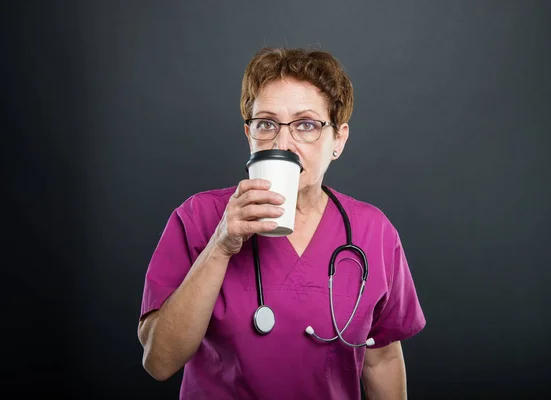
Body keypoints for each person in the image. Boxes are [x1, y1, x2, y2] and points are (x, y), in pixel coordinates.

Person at [137, 46, 426, 400]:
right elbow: (159, 361)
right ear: (250, 135)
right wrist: (221, 245)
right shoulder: (198, 218)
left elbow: (380, 361)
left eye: (306, 125)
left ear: (338, 139)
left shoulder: (374, 232)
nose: (282, 142)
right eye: (266, 124)